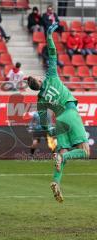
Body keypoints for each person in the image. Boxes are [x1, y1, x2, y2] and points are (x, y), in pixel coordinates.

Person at [27, 23, 90, 203]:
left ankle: (56, 181)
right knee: (84, 151)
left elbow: (44, 122)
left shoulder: (40, 100)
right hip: (69, 113)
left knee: (62, 152)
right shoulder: (52, 76)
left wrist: (52, 131)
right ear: (39, 79)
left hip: (59, 120)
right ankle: (62, 156)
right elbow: (53, 53)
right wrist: (48, 36)